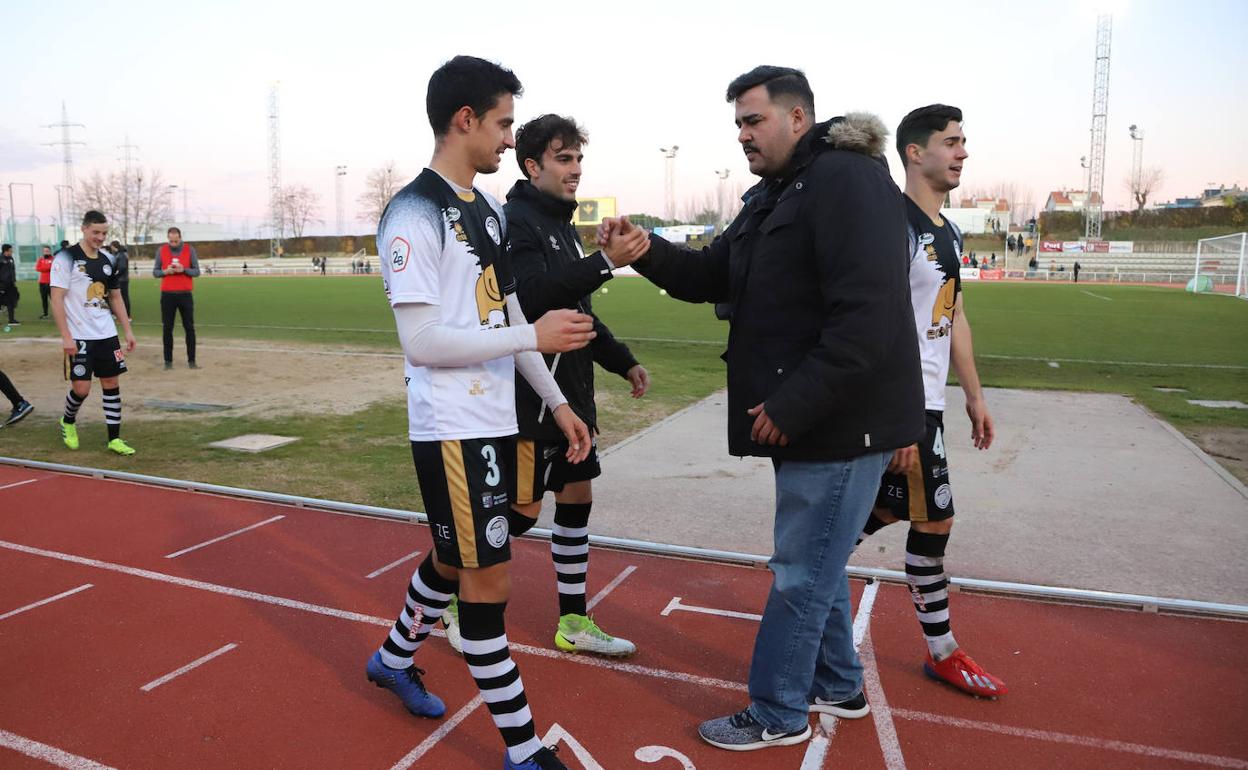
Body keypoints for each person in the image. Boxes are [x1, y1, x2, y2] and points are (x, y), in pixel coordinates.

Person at [606, 65, 923, 752]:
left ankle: (777, 712)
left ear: (798, 118)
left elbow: (866, 318)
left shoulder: (847, 180)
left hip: (837, 422)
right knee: (819, 561)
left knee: (801, 573)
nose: (744, 136)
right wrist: (646, 254)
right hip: (812, 420)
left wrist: (792, 404)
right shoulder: (772, 194)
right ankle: (838, 684)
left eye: (754, 121)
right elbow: (714, 274)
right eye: (739, 125)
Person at [365, 55, 596, 770]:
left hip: (499, 420)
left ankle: (391, 659)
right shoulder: (413, 212)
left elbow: (509, 312)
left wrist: (556, 402)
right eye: (502, 124)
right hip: (453, 429)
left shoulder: (488, 210)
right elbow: (424, 341)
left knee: (451, 557)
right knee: (485, 586)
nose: (507, 140)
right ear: (464, 120)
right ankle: (524, 751)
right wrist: (533, 336)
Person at [438, 114, 651, 659]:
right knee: (522, 513)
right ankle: (459, 594)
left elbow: (575, 310)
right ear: (532, 166)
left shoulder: (558, 224)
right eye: (563, 158)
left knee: (578, 496)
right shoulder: (515, 222)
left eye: (578, 158)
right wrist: (604, 263)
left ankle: (573, 621)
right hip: (531, 397)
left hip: (572, 391)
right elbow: (530, 302)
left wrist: (622, 361)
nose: (575, 169)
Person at [853, 104, 1006, 699]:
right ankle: (942, 651)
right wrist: (897, 416)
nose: (963, 152)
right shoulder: (892, 225)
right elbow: (876, 325)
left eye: (964, 141)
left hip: (929, 404)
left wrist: (973, 396)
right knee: (933, 515)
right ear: (915, 153)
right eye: (951, 142)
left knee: (899, 510)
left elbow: (954, 313)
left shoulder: (950, 229)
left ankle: (804, 571)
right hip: (902, 403)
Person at [50, 210, 137, 455]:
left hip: (106, 334)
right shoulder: (65, 258)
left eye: (104, 233)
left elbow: (116, 297)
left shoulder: (108, 259)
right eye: (96, 232)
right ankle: (67, 421)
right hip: (79, 336)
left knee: (111, 382)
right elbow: (56, 299)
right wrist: (66, 336)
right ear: (84, 229)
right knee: (82, 389)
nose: (100, 237)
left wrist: (127, 331)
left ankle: (114, 439)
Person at [153, 227, 200, 370]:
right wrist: (165, 271)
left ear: (180, 237)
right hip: (167, 295)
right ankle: (168, 362)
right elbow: (155, 272)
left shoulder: (189, 250)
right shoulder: (161, 251)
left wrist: (183, 270)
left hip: (185, 295)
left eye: (175, 240)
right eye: (170, 241)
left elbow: (197, 271)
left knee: (189, 328)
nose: (173, 243)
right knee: (167, 329)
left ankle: (192, 361)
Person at [109, 241, 132, 319]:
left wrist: (115, 276)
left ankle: (127, 316)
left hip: (122, 280)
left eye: (111, 246)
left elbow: (122, 267)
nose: (111, 248)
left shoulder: (121, 255)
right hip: (122, 279)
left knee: (123, 297)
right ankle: (119, 314)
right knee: (121, 297)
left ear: (114, 246)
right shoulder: (120, 254)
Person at [0, 244, 20, 326]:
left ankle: (11, 320)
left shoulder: (11, 259)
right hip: (2, 285)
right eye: (10, 250)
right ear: (6, 251)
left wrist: (13, 280)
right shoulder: (0, 259)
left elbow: (12, 271)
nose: (12, 252)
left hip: (10, 284)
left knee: (11, 302)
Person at [36, 246, 54, 319]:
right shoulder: (41, 259)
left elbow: (54, 268)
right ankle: (45, 313)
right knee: (44, 299)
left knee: (53, 300)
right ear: (43, 252)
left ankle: (57, 313)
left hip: (52, 282)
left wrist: (44, 268)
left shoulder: (53, 259)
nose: (46, 252)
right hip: (42, 282)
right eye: (45, 251)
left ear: (50, 251)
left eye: (47, 251)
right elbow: (37, 268)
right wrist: (48, 268)